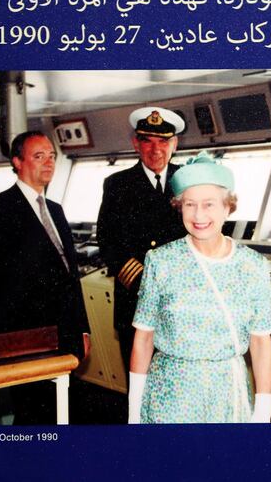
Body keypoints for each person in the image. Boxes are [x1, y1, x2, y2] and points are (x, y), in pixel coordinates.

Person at [128, 152, 271, 423]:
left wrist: (264, 410)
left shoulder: (252, 265)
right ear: (179, 206)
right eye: (189, 204)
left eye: (209, 205)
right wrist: (134, 413)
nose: (198, 215)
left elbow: (261, 341)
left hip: (229, 394)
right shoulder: (161, 261)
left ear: (228, 207)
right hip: (170, 395)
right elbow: (144, 338)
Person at [0, 131, 90, 424]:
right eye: (39, 156)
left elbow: (70, 276)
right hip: (25, 337)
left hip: (65, 332)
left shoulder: (56, 211)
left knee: (65, 409)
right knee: (33, 411)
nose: (49, 163)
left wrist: (83, 329)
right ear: (17, 162)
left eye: (52, 156)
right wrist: (7, 336)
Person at [96, 107, 187, 381]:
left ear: (175, 144)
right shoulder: (117, 184)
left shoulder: (188, 181)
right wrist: (147, 284)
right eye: (147, 140)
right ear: (136, 143)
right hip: (136, 302)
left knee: (179, 385)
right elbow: (108, 242)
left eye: (163, 141)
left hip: (182, 303)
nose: (155, 149)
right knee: (140, 385)